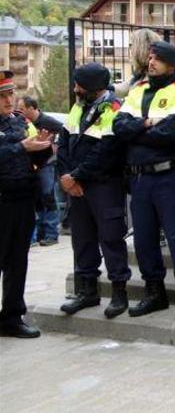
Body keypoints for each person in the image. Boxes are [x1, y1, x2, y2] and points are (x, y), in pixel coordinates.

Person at [112, 41, 175, 322]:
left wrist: (137, 130)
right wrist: (147, 125)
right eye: (150, 58)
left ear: (172, 65)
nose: (151, 63)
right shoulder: (137, 91)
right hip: (140, 177)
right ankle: (154, 292)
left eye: (158, 60)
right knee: (145, 239)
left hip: (170, 176)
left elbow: (173, 134)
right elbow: (118, 126)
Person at [56, 63, 131, 319]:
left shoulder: (114, 108)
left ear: (92, 87)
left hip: (104, 185)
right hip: (77, 187)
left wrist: (75, 175)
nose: (75, 88)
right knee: (82, 240)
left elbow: (107, 152)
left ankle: (119, 293)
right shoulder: (78, 107)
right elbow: (64, 143)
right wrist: (66, 177)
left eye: (79, 84)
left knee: (111, 238)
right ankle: (86, 291)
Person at [0, 70, 52, 338]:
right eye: (2, 96)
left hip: (21, 199)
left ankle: (11, 316)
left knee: (17, 261)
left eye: (11, 94)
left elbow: (33, 159)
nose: (9, 100)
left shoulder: (19, 121)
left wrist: (42, 149)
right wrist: (22, 147)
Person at [17, 96, 63, 247]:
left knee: (48, 196)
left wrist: (54, 146)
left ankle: (51, 233)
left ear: (31, 108)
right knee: (38, 199)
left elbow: (65, 131)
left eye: (22, 109)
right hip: (34, 165)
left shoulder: (47, 122)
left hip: (47, 165)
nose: (20, 112)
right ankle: (42, 233)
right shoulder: (25, 123)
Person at [117, 28, 161, 97]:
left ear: (140, 48)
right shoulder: (141, 72)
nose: (130, 49)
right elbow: (123, 89)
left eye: (131, 45)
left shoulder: (154, 75)